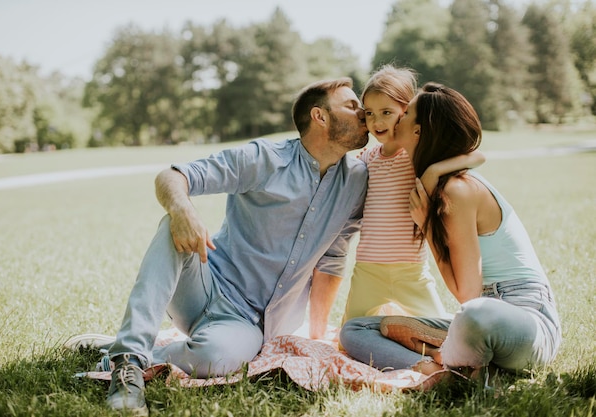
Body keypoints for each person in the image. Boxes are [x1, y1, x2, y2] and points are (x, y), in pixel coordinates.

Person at [104, 77, 370, 415]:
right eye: (351, 105)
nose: (363, 113)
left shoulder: (357, 181)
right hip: (203, 285)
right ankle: (127, 361)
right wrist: (182, 209)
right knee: (174, 224)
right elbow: (171, 177)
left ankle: (118, 351)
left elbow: (333, 256)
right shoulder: (263, 158)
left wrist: (317, 334)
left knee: (216, 359)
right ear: (320, 116)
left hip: (248, 325)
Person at [340, 82, 561, 381]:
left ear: (419, 131)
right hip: (480, 318)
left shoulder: (459, 190)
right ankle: (436, 369)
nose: (398, 117)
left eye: (406, 114)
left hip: (523, 319)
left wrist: (427, 224)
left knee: (475, 315)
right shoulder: (436, 182)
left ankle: (455, 357)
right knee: (355, 330)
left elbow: (468, 296)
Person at [341, 65, 484, 324]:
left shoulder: (415, 156)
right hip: (368, 269)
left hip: (411, 271)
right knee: (347, 336)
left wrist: (435, 170)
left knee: (441, 334)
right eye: (370, 114)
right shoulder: (366, 159)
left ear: (405, 112)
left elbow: (478, 156)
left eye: (387, 112)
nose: (377, 122)